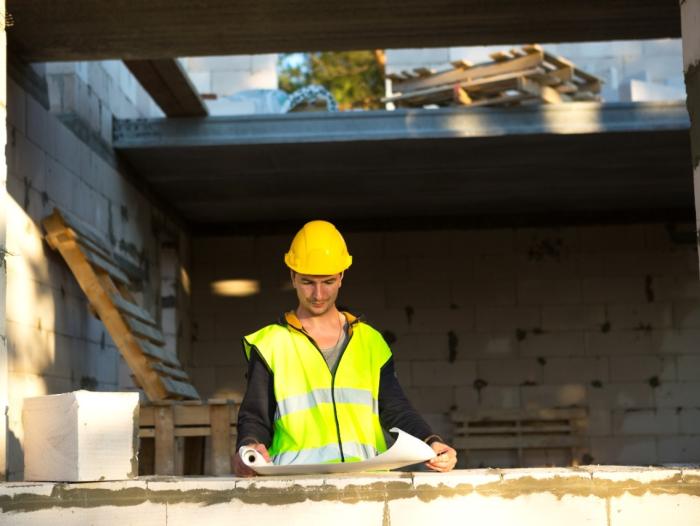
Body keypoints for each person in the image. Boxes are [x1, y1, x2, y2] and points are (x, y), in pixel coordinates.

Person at [233, 220, 457, 476]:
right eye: (308, 282)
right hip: (296, 486)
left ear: (341, 277)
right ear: (293, 276)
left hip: (365, 486)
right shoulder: (270, 344)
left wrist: (432, 442)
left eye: (327, 281)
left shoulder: (370, 342)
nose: (318, 294)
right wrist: (248, 447)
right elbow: (255, 418)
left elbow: (396, 409)